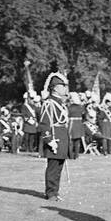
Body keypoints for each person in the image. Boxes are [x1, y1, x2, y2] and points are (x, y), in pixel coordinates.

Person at [39, 71, 71, 201]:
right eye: (63, 86)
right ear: (56, 88)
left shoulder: (60, 103)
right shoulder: (49, 103)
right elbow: (44, 123)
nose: (65, 88)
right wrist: (49, 139)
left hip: (62, 138)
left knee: (59, 168)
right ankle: (51, 193)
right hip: (54, 139)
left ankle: (55, 192)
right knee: (53, 168)